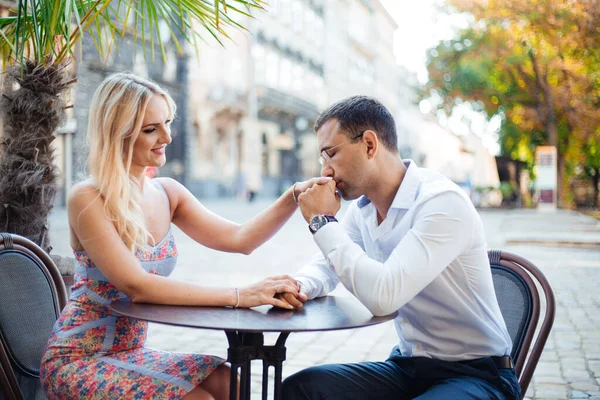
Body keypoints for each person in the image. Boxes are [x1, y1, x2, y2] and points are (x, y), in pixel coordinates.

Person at [40, 72, 327, 400]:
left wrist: (293, 195)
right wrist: (240, 294)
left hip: (131, 355)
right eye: (151, 129)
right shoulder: (87, 198)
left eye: (167, 122)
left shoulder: (168, 193)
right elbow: (138, 286)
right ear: (118, 133)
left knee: (229, 379)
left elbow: (241, 238)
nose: (168, 136)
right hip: (78, 360)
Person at [278, 96, 522, 399]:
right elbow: (327, 265)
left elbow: (383, 297)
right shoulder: (363, 210)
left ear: (369, 144)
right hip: (408, 368)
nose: (325, 171)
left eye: (330, 154)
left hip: (477, 375)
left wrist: (322, 220)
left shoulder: (441, 203)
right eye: (322, 160)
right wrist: (297, 286)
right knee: (303, 388)